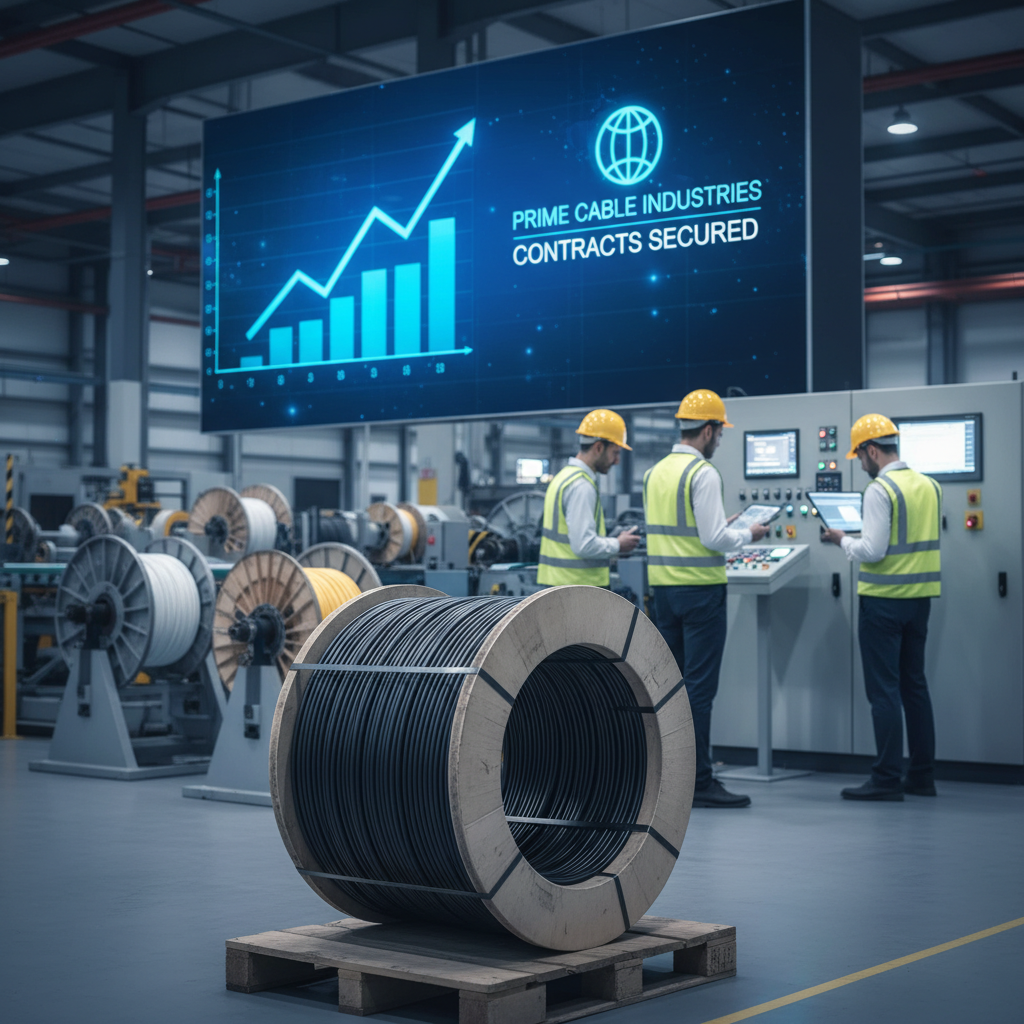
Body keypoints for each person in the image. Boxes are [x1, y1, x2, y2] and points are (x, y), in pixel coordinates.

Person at [644, 389, 768, 808]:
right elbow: (714, 538)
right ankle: (699, 781)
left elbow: (686, 529)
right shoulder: (704, 474)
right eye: (719, 433)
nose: (719, 441)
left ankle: (670, 778)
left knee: (671, 686)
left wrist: (722, 526)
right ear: (710, 429)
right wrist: (748, 534)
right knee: (699, 689)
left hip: (664, 592)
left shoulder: (656, 472)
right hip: (701, 592)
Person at [822, 414, 941, 802]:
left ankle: (887, 778)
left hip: (883, 604)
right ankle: (921, 776)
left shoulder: (880, 490)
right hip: (919, 601)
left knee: (884, 692)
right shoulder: (929, 486)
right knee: (915, 687)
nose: (860, 464)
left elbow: (873, 550)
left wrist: (841, 540)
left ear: (872, 450)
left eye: (859, 456)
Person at [536, 409, 640, 587]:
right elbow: (583, 545)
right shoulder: (582, 486)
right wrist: (617, 544)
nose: (617, 461)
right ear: (598, 447)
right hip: (577, 590)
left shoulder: (564, 477)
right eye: (615, 453)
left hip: (557, 585)